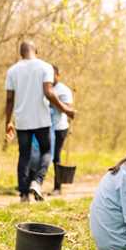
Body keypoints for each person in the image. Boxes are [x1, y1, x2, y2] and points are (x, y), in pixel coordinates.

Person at [5, 41, 75, 202]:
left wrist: (8, 123)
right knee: (47, 151)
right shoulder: (45, 67)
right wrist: (66, 110)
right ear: (36, 50)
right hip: (41, 120)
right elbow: (49, 92)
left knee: (24, 155)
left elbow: (9, 100)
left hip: (22, 121)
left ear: (20, 53)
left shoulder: (12, 70)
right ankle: (37, 182)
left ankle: (23, 195)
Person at [49, 64, 73, 195]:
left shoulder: (64, 90)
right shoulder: (44, 87)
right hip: (45, 126)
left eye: (52, 74)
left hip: (59, 127)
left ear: (58, 75)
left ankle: (57, 187)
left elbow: (69, 109)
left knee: (56, 157)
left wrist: (55, 101)